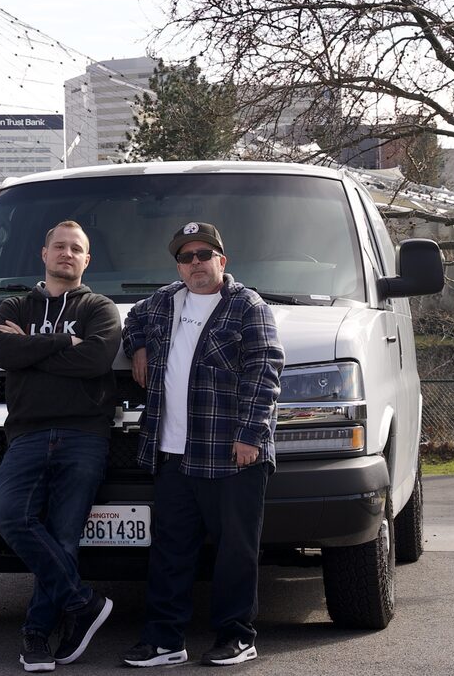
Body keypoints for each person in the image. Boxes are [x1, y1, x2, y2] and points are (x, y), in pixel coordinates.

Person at [120, 221, 284, 668]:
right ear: (178, 264)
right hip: (172, 453)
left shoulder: (248, 307)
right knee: (170, 551)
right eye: (186, 256)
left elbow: (264, 374)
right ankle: (164, 640)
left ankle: (236, 636)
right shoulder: (163, 302)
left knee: (235, 553)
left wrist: (251, 437)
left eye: (203, 255)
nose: (195, 263)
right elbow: (131, 319)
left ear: (221, 260)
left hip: (232, 453)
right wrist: (137, 348)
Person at [0, 220, 122, 672]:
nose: (67, 253)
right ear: (43, 254)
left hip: (85, 435)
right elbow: (2, 353)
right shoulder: (14, 304)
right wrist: (64, 340)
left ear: (87, 260)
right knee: (8, 515)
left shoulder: (100, 308)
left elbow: (96, 360)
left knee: (64, 537)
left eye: (76, 249)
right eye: (59, 247)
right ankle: (83, 603)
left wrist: (33, 349)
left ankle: (37, 634)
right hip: (26, 434)